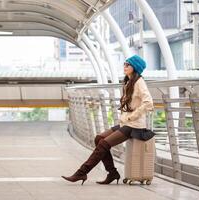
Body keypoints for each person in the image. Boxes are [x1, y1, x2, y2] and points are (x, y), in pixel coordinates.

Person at [61, 55, 154, 185]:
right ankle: (112, 173)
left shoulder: (139, 82)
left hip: (134, 125)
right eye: (124, 64)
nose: (125, 66)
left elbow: (149, 103)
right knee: (99, 138)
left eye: (128, 65)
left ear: (135, 67)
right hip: (126, 123)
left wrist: (132, 116)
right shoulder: (128, 81)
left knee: (104, 143)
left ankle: (81, 173)